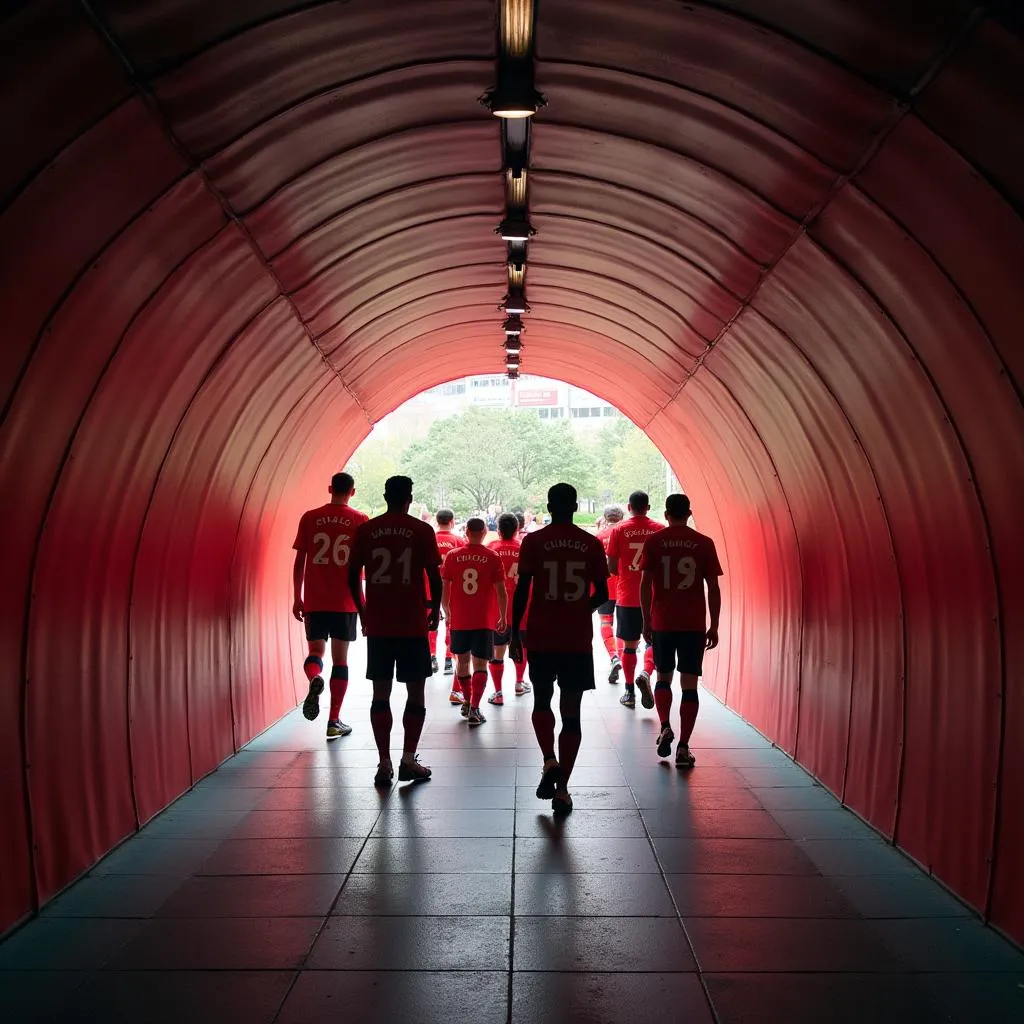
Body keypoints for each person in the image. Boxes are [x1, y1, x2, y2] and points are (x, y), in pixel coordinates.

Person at [511, 483, 609, 816]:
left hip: (541, 635)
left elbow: (522, 590)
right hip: (576, 639)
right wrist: (580, 608)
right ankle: (564, 789)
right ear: (576, 505)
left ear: (549, 506)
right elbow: (603, 593)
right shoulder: (590, 543)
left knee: (541, 700)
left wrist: (514, 634)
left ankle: (548, 760)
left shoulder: (534, 542)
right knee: (571, 712)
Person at [349, 476, 440, 786]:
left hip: (379, 625)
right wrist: (434, 611)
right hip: (412, 623)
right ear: (409, 498)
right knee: (416, 693)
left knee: (380, 694)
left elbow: (351, 577)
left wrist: (363, 613)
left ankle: (384, 762)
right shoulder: (422, 530)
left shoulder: (366, 531)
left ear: (385, 495)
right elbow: (434, 576)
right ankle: (408, 759)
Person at [640, 493, 723, 767]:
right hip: (693, 624)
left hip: (663, 622)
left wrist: (646, 620)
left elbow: (644, 585)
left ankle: (665, 726)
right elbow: (713, 587)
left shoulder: (654, 542)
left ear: (666, 514)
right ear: (689, 513)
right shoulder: (704, 543)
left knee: (663, 677)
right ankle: (684, 748)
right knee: (689, 684)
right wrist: (715, 625)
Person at [291, 472, 369, 740]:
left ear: (329, 489)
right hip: (345, 600)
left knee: (316, 651)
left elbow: (300, 560)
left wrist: (296, 596)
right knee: (341, 659)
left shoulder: (310, 517)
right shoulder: (359, 520)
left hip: (315, 598)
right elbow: (363, 565)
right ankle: (334, 720)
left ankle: (314, 679)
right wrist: (364, 605)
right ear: (353, 492)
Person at [442, 518, 507, 726]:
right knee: (480, 664)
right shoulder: (493, 557)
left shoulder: (453, 556)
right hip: (484, 619)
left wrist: (447, 610)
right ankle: (475, 709)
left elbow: (445, 588)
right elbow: (501, 591)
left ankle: (468, 702)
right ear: (485, 531)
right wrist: (503, 615)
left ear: (467, 531)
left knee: (462, 662)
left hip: (460, 618)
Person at [607, 491, 663, 711]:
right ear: (647, 507)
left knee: (629, 647)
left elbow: (611, 567)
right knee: (653, 642)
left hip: (628, 595)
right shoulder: (659, 530)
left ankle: (629, 692)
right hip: (654, 597)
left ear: (629, 507)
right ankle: (645, 673)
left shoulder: (619, 529)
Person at [487, 512, 531, 704]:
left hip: (497, 609)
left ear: (498, 530)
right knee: (521, 647)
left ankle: (498, 693)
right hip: (522, 609)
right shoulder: (524, 549)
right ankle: (519, 683)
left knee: (497, 651)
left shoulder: (490, 549)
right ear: (517, 530)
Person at [430, 509, 464, 685]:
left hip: (430, 587)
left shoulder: (431, 538)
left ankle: (432, 654)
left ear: (437, 521)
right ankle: (449, 659)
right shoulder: (458, 540)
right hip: (451, 588)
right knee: (451, 623)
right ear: (452, 521)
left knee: (432, 622)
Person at [595, 505, 624, 683]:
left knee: (606, 623)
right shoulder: (625, 534)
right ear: (621, 517)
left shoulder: (599, 537)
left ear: (605, 518)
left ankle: (614, 657)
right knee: (622, 626)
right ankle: (619, 657)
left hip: (605, 587)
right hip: (624, 587)